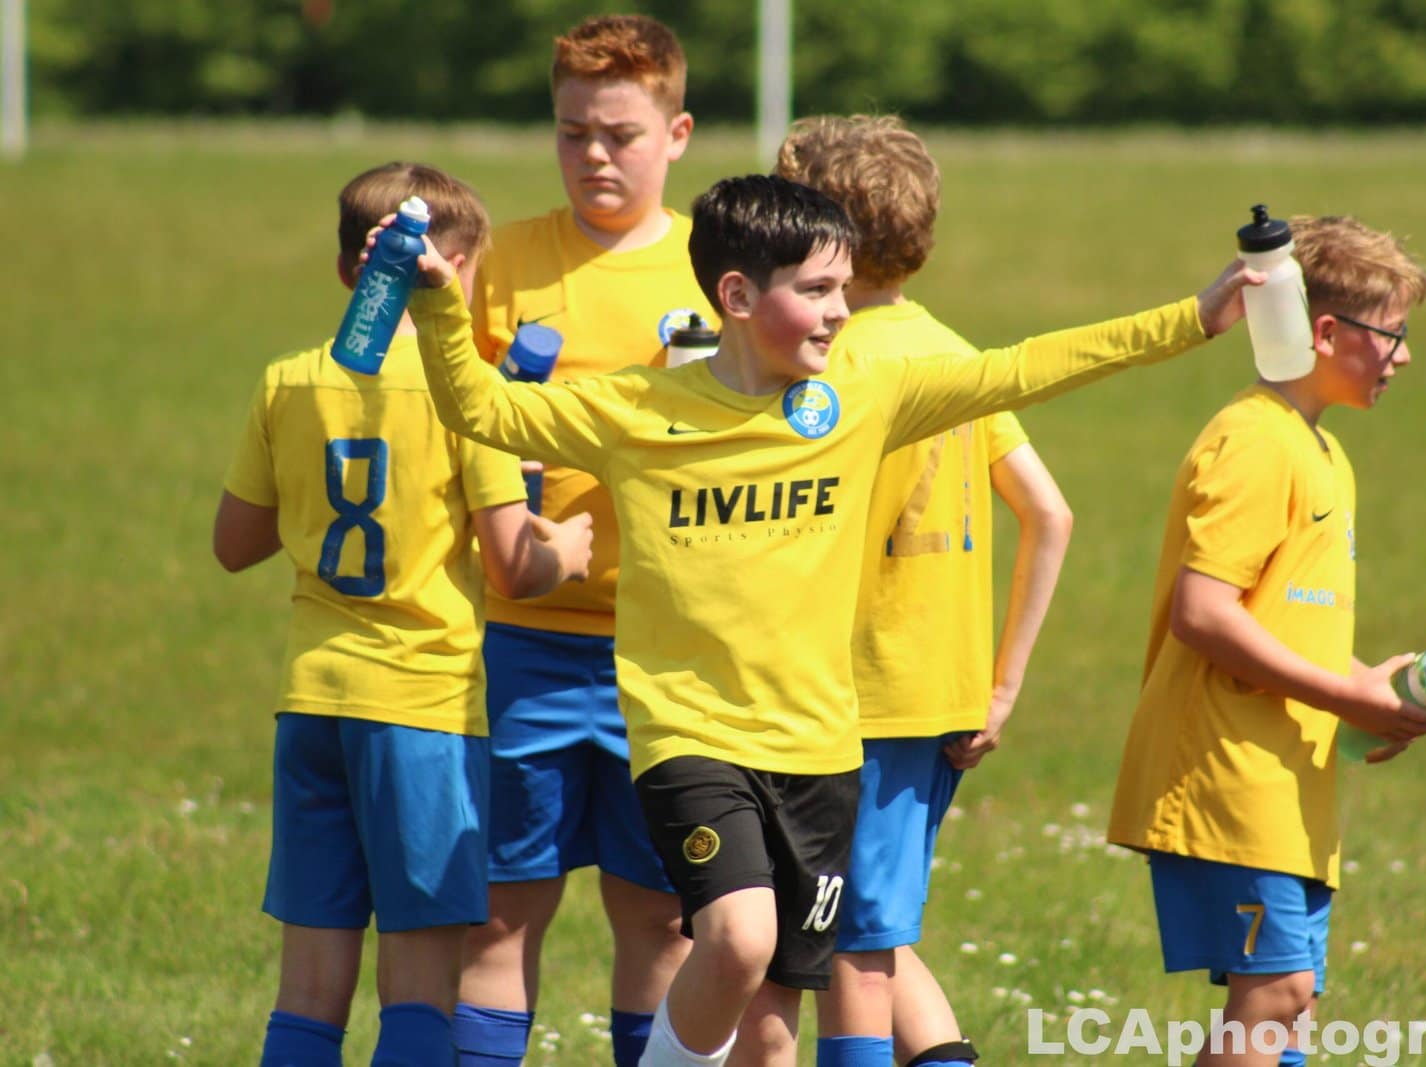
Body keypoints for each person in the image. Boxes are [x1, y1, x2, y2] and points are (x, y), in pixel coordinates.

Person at [396, 172, 1255, 1067]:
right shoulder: (639, 410)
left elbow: (1027, 365)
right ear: (737, 296)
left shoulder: (861, 399)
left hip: (819, 752)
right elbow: (481, 408)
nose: (841, 310)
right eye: (815, 289)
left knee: (771, 1030)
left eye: (843, 287)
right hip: (692, 736)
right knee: (738, 936)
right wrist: (442, 307)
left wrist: (1191, 319)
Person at [213, 160, 593, 1067]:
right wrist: (568, 551)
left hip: (314, 703)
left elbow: (235, 542)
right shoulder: (472, 396)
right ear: (452, 274)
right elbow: (513, 567)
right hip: (423, 709)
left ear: (349, 268)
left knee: (307, 990)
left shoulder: (288, 381)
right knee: (420, 989)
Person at [1105, 215, 1426, 1067]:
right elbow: (1203, 612)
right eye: (1391, 333)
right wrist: (1343, 691)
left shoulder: (1321, 451)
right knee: (1277, 993)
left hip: (1290, 783)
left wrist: (1373, 696)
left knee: (1295, 1009)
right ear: (1325, 331)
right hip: (1226, 772)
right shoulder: (1254, 441)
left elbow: (1281, 618)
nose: (1403, 356)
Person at [770, 114, 1071, 1067]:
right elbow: (1050, 513)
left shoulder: (829, 364)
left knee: (847, 946)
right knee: (874, 922)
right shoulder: (956, 351)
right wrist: (1002, 685)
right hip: (940, 691)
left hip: (846, 691)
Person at [454, 16, 712, 1066]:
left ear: (678, 133)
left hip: (669, 650)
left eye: (620, 134)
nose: (594, 156)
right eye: (572, 134)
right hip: (527, 638)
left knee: (659, 916)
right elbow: (459, 418)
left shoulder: (714, 266)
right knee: (502, 911)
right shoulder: (505, 259)